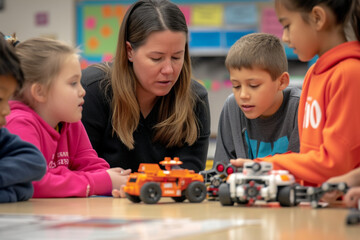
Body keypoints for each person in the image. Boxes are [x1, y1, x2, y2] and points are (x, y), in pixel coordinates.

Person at [230, 0, 360, 186]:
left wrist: (268, 166)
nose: (284, 37)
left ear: (317, 18)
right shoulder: (313, 74)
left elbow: (334, 165)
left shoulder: (350, 73)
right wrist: (260, 168)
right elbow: (307, 158)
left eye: (287, 25)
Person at [81, 0, 210, 175]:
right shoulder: (93, 89)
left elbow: (189, 173)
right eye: (156, 58)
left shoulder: (196, 98)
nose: (168, 70)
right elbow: (82, 169)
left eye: (177, 57)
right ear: (129, 51)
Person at [5, 37, 129, 198]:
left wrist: (117, 182)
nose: (82, 91)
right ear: (40, 92)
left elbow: (91, 164)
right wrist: (99, 182)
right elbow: (34, 182)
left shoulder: (71, 122)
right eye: (73, 83)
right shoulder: (19, 123)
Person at [213, 33, 300, 167]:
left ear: (282, 82)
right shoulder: (232, 107)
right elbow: (222, 172)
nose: (243, 95)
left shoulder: (301, 107)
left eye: (254, 85)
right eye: (236, 86)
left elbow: (303, 170)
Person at [0, 34, 46, 202]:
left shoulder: (1, 136)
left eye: (8, 99)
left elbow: (35, 162)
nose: (6, 110)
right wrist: (13, 190)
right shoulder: (21, 120)